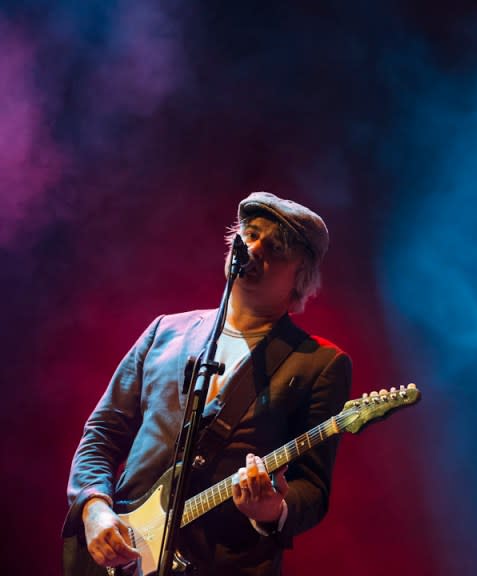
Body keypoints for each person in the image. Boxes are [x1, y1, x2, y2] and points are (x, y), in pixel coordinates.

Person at [61, 192, 352, 575]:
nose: (252, 247)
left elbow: (312, 489)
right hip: (123, 558)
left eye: (274, 245)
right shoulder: (166, 331)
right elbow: (102, 432)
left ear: (301, 273)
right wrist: (95, 508)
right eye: (248, 233)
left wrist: (271, 510)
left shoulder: (318, 363)